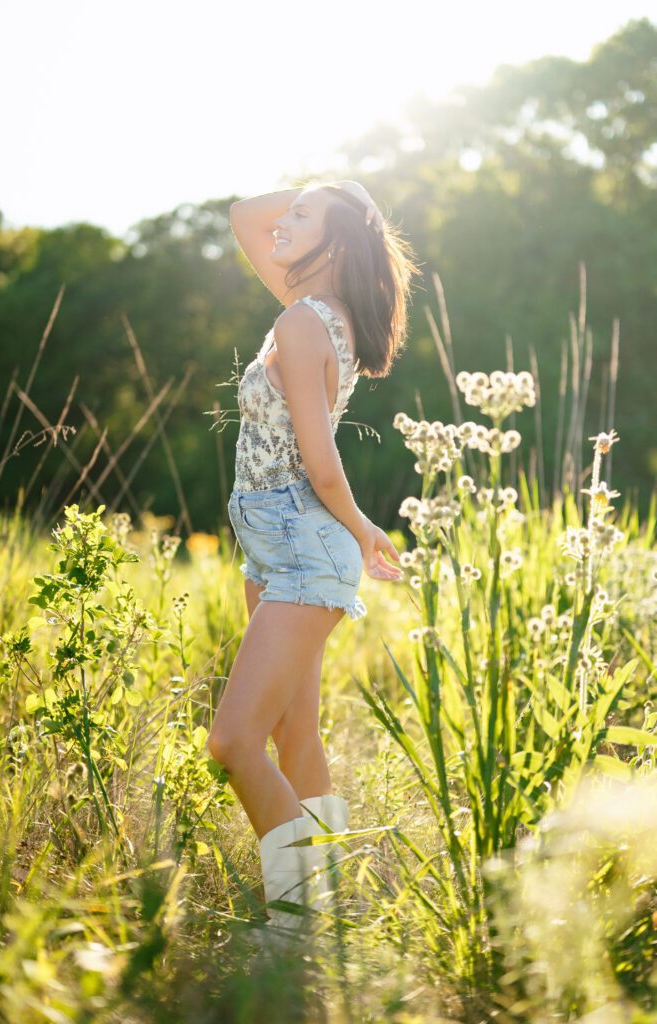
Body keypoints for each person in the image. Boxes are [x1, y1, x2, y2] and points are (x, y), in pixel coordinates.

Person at [207, 180, 421, 945]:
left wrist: (362, 529)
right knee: (295, 737)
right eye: (288, 213)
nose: (283, 222)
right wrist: (326, 194)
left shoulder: (302, 321)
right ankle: (325, 899)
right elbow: (242, 216)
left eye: (303, 218)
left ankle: (298, 921)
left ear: (332, 246)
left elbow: (319, 462)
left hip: (302, 536)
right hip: (272, 542)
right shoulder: (312, 307)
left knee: (233, 742)